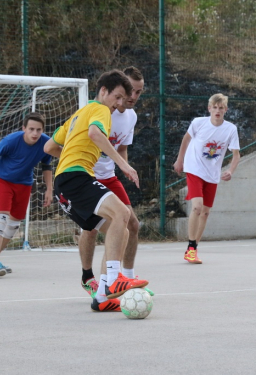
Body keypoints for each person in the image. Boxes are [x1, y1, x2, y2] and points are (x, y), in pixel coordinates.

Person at [43, 69, 149, 312]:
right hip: (76, 177)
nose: (120, 103)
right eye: (118, 97)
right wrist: (123, 164)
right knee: (122, 214)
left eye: (125, 98)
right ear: (103, 91)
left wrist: (71, 157)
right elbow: (95, 133)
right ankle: (113, 281)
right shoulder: (101, 110)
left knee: (117, 227)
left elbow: (50, 146)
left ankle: (102, 297)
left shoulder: (78, 114)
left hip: (65, 183)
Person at [76, 66, 154, 305]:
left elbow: (121, 147)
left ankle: (126, 280)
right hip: (87, 175)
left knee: (132, 223)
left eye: (138, 92)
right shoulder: (97, 111)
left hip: (110, 175)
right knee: (90, 229)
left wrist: (125, 169)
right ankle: (88, 277)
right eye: (128, 91)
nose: (132, 97)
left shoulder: (131, 116)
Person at [0, 112, 53, 278]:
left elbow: (46, 165)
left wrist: (50, 189)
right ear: (24, 129)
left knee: (14, 225)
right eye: (31, 129)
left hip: (24, 184)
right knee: (1, 219)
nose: (35, 133)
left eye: (39, 130)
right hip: (3, 180)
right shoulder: (12, 140)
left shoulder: (45, 143)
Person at [173, 93, 240, 264]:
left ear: (226, 110)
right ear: (209, 108)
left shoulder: (230, 129)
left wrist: (231, 171)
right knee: (197, 207)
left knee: (206, 212)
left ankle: (193, 249)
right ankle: (190, 247)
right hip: (194, 169)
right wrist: (179, 160)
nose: (217, 111)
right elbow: (186, 140)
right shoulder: (198, 123)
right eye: (215, 107)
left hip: (212, 173)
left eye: (221, 108)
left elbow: (236, 154)